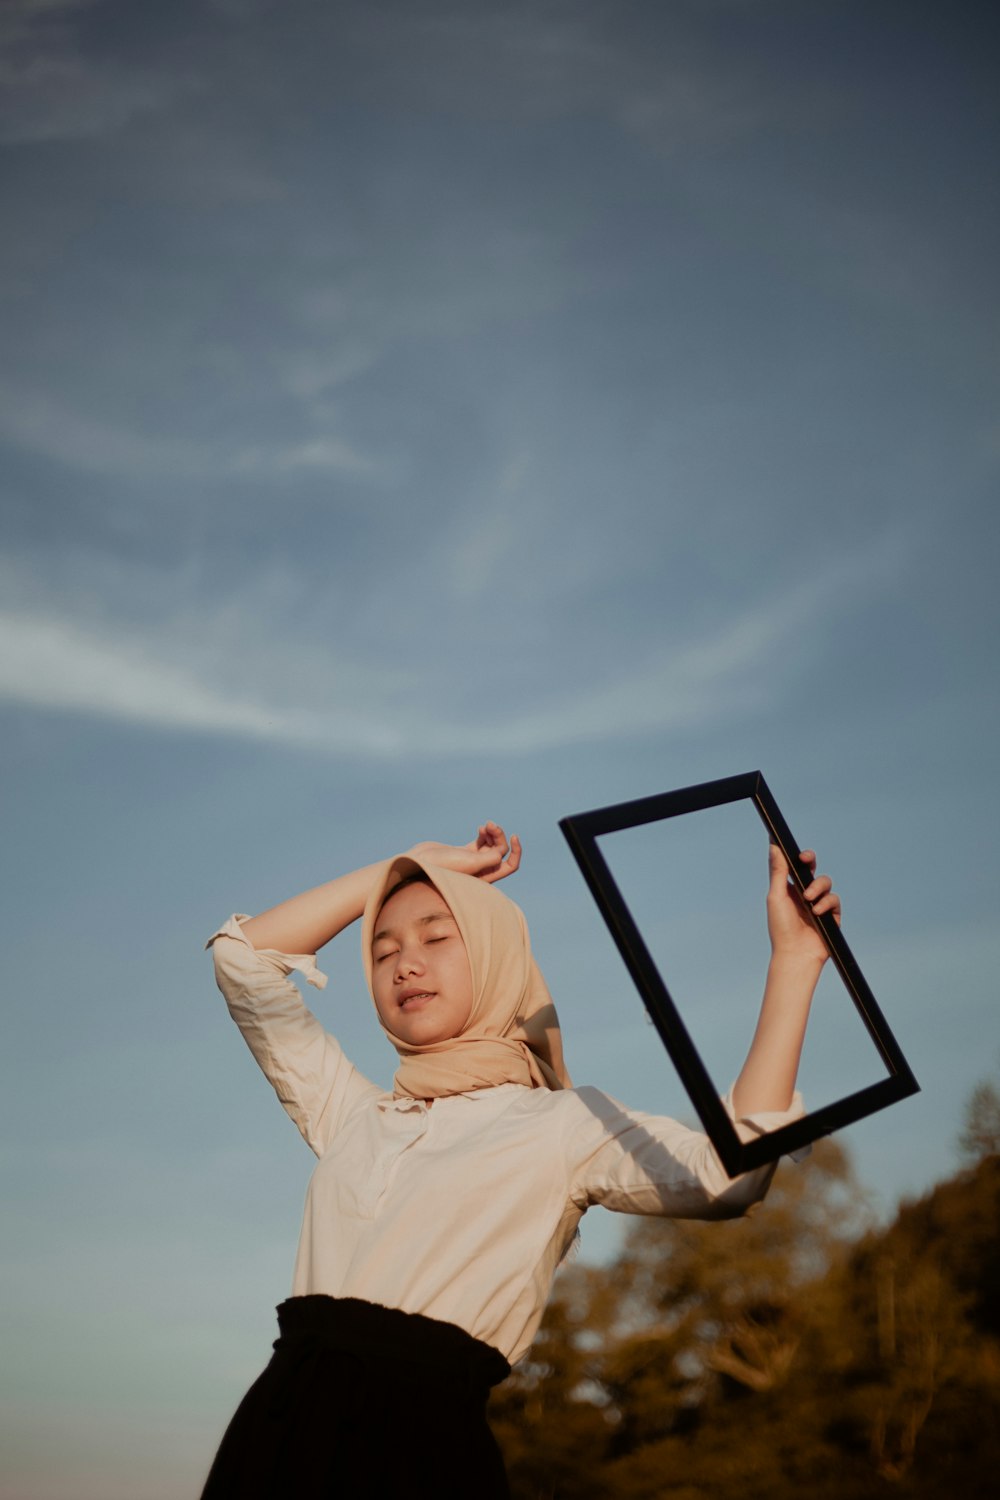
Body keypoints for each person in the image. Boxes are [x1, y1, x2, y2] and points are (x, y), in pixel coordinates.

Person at [200, 821, 840, 1498]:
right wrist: (405, 863)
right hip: (276, 1432)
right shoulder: (355, 1117)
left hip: (419, 1445)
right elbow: (242, 959)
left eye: (437, 937)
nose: (404, 964)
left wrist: (795, 962)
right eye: (382, 950)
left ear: (498, 956)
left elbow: (729, 1177)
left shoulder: (561, 1125)